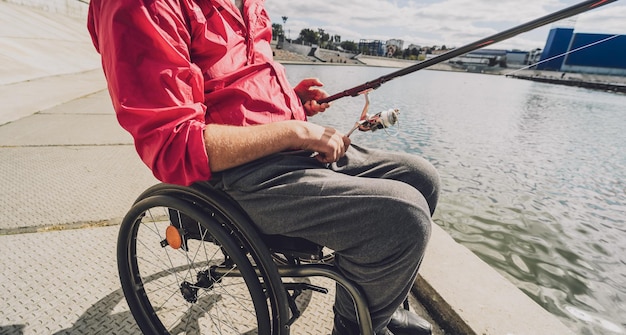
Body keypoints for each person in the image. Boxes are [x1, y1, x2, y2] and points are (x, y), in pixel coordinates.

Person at [87, 0, 440, 334]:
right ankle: (356, 327)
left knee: (422, 179)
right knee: (403, 217)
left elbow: (239, 82)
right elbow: (174, 145)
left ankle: (374, 306)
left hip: (288, 152)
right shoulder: (140, 7)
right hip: (235, 175)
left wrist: (292, 101)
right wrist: (295, 131)